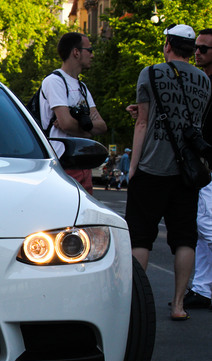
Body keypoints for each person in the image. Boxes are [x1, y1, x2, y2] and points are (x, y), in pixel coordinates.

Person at [125, 24, 211, 321]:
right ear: (191, 49)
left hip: (151, 166)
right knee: (185, 238)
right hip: (187, 171)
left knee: (140, 236)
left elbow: (143, 124)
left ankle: (135, 303)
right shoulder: (204, 81)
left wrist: (133, 167)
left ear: (167, 45)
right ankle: (178, 304)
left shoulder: (150, 73)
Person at [39, 32, 107, 195]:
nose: (92, 54)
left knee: (85, 216)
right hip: (63, 162)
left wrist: (78, 124)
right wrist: (87, 127)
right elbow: (66, 123)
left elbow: (102, 126)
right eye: (89, 50)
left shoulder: (82, 87)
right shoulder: (55, 81)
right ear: (76, 52)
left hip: (83, 162)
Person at [180, 28, 212, 310]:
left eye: (203, 48)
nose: (197, 52)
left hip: (209, 164)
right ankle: (202, 289)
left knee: (207, 226)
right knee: (201, 230)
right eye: (195, 48)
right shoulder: (201, 82)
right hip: (202, 165)